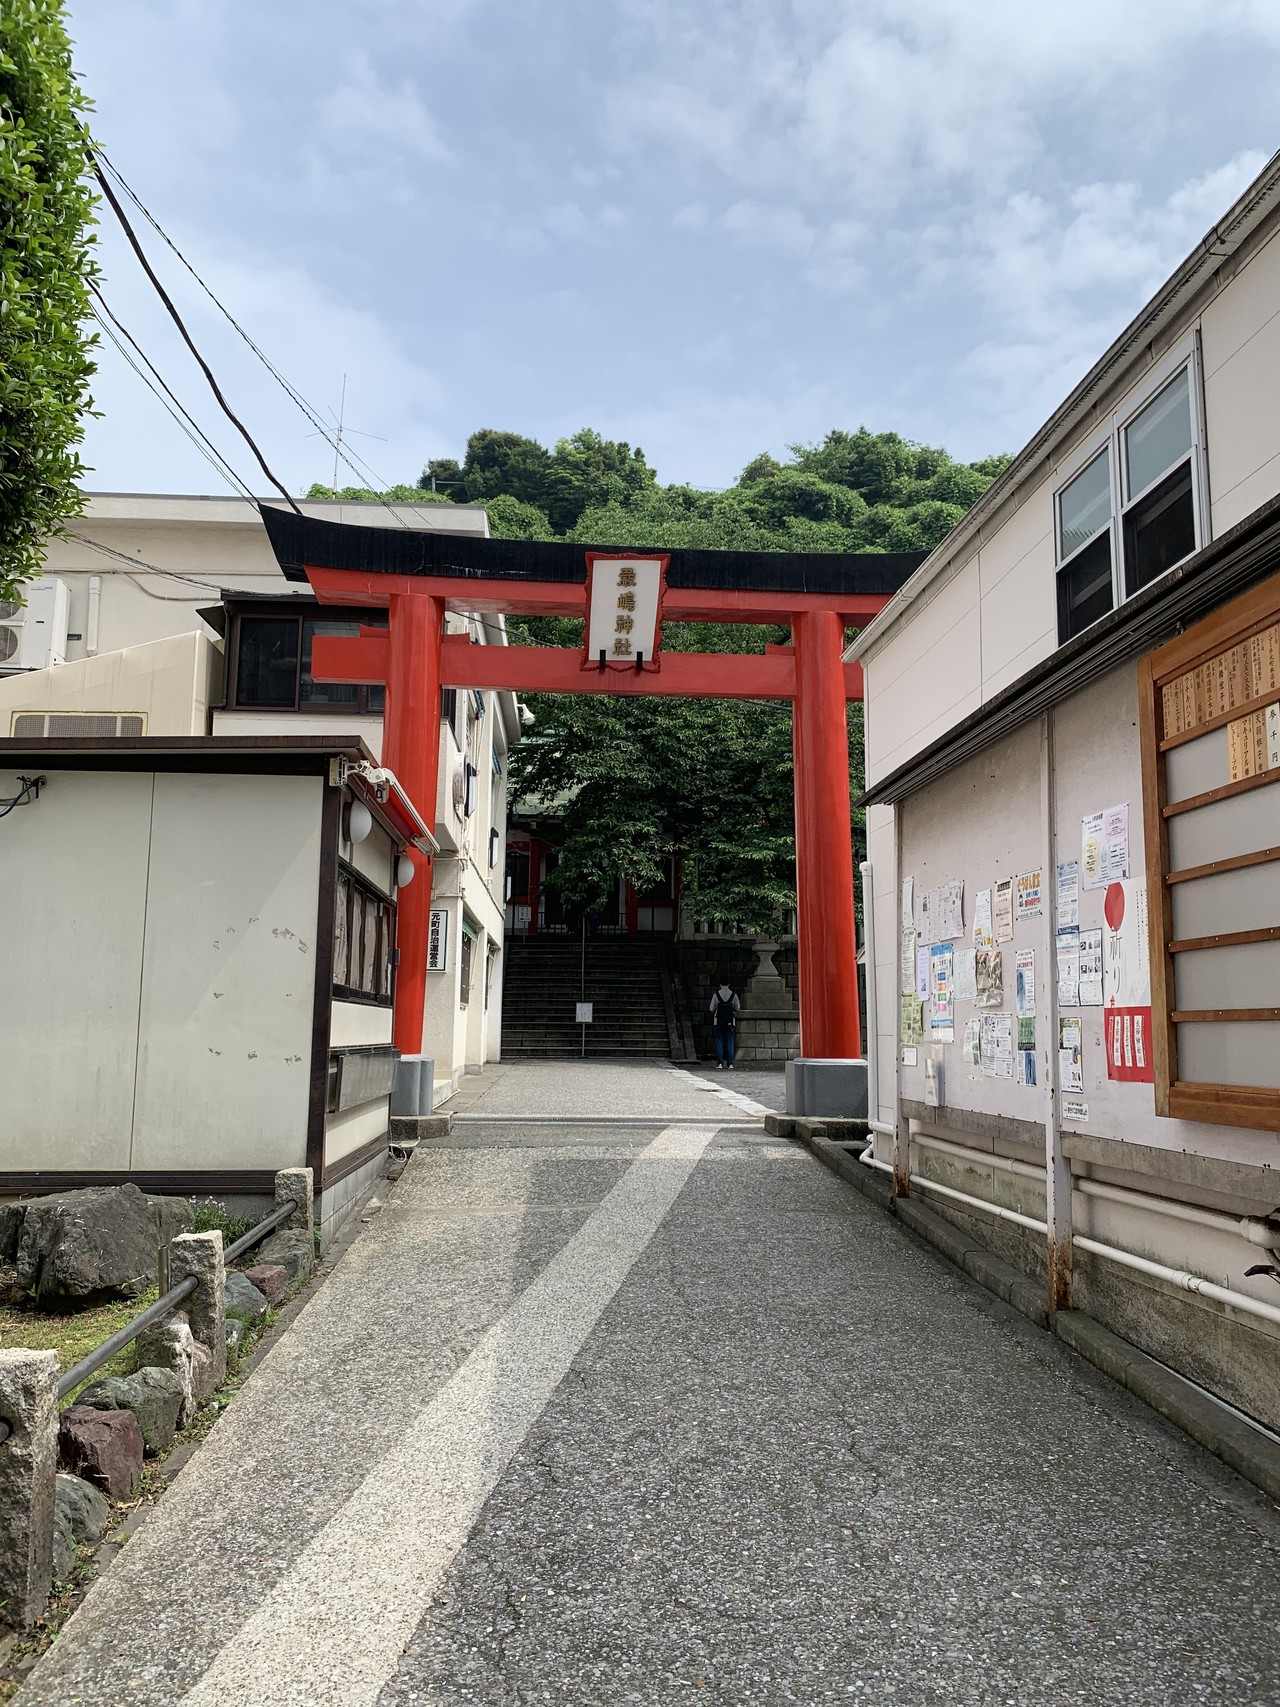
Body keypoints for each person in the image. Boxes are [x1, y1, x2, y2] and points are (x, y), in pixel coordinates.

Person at [709, 978, 740, 1069]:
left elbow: (711, 1008)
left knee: (719, 1042)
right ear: (729, 984)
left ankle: (720, 1063)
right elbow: (737, 1008)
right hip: (731, 1022)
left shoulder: (716, 995)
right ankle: (730, 1064)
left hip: (718, 1022)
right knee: (730, 1042)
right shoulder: (733, 995)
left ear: (720, 985)